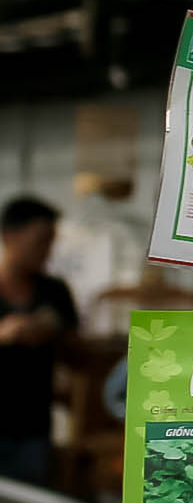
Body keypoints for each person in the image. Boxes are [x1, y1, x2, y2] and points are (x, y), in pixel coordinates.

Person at [0, 196, 76, 488]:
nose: (48, 250)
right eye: (41, 240)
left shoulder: (55, 292)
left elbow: (75, 350)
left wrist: (51, 329)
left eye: (51, 241)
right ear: (10, 236)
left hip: (33, 430)